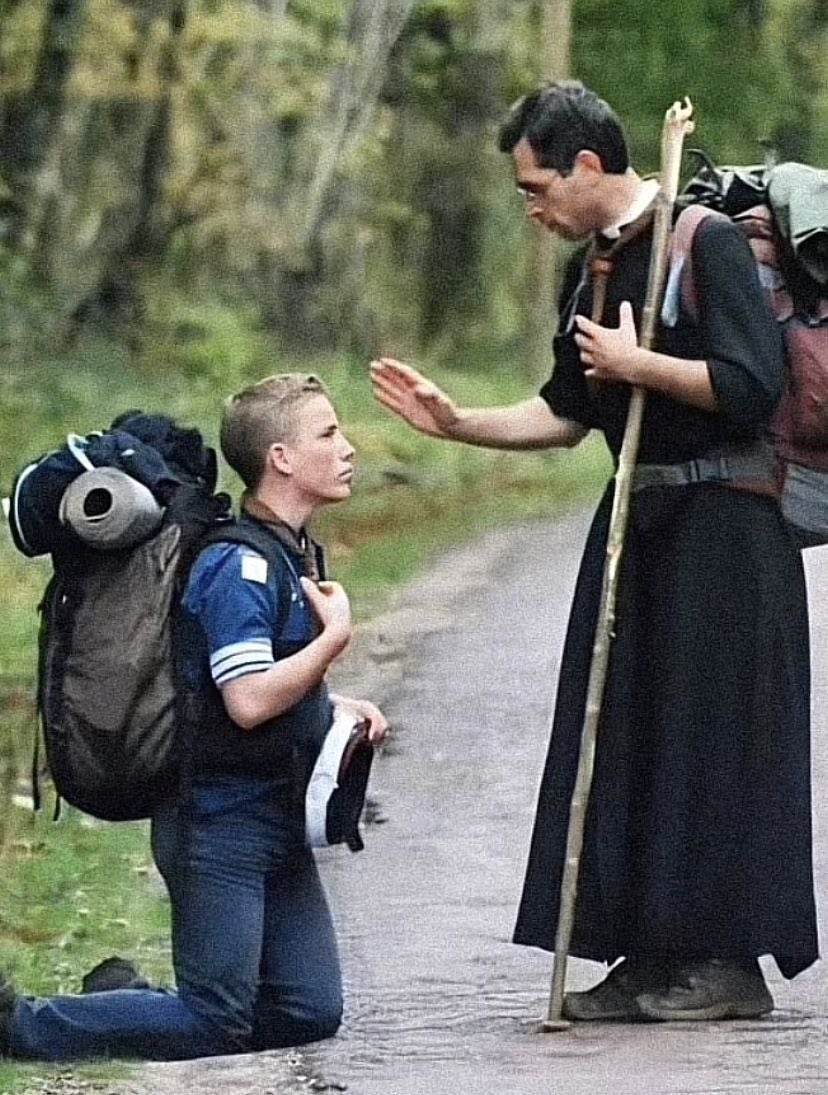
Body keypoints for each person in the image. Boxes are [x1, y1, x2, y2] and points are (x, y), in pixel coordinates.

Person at [370, 81, 816, 1023]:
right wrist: (455, 425)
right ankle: (649, 955)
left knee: (712, 744)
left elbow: (750, 384)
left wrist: (639, 366)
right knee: (626, 736)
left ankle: (729, 967)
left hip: (731, 534)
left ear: (584, 165)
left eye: (535, 187)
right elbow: (568, 411)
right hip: (641, 528)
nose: (530, 207)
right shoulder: (600, 269)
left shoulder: (707, 243)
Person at [1, 372, 388, 1060]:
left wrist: (332, 706)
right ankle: (21, 1025)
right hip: (219, 823)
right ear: (281, 458)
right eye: (329, 434)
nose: (348, 448)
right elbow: (245, 701)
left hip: (274, 813)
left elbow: (242, 684)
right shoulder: (239, 564)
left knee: (308, 1009)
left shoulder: (285, 549)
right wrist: (334, 642)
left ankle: (125, 1000)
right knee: (216, 1020)